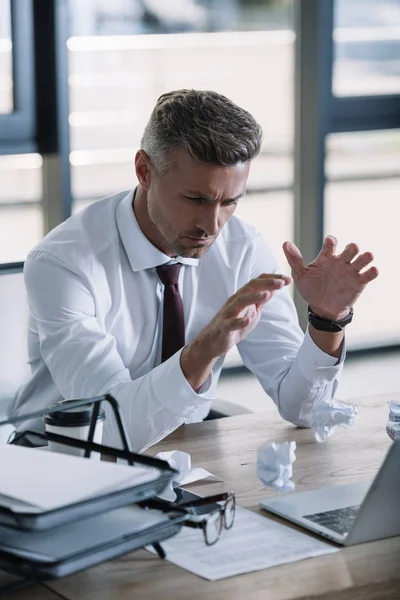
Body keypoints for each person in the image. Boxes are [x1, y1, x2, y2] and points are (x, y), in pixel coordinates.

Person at [13, 89, 378, 452]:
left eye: (230, 202)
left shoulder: (243, 248)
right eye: (196, 199)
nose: (212, 225)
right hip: (59, 463)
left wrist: (327, 321)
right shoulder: (64, 263)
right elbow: (110, 429)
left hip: (185, 455)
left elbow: (307, 411)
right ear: (144, 171)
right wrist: (202, 351)